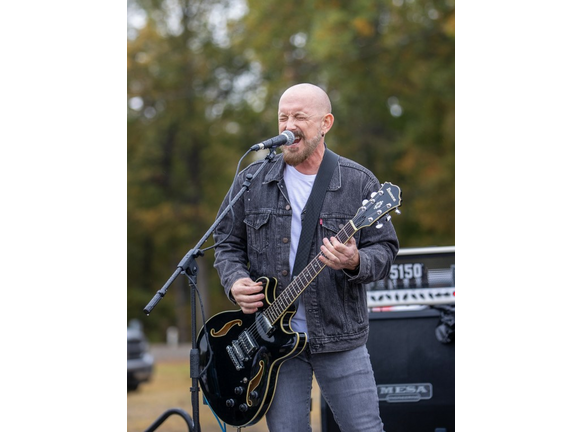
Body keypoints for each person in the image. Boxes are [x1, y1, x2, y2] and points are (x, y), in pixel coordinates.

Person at [213, 83, 399, 431]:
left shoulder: (359, 183)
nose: (288, 125)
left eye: (300, 116)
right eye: (283, 117)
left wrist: (355, 262)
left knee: (365, 428)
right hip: (272, 343)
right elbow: (225, 243)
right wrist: (234, 280)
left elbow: (385, 251)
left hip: (339, 335)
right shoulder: (251, 180)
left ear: (326, 123)